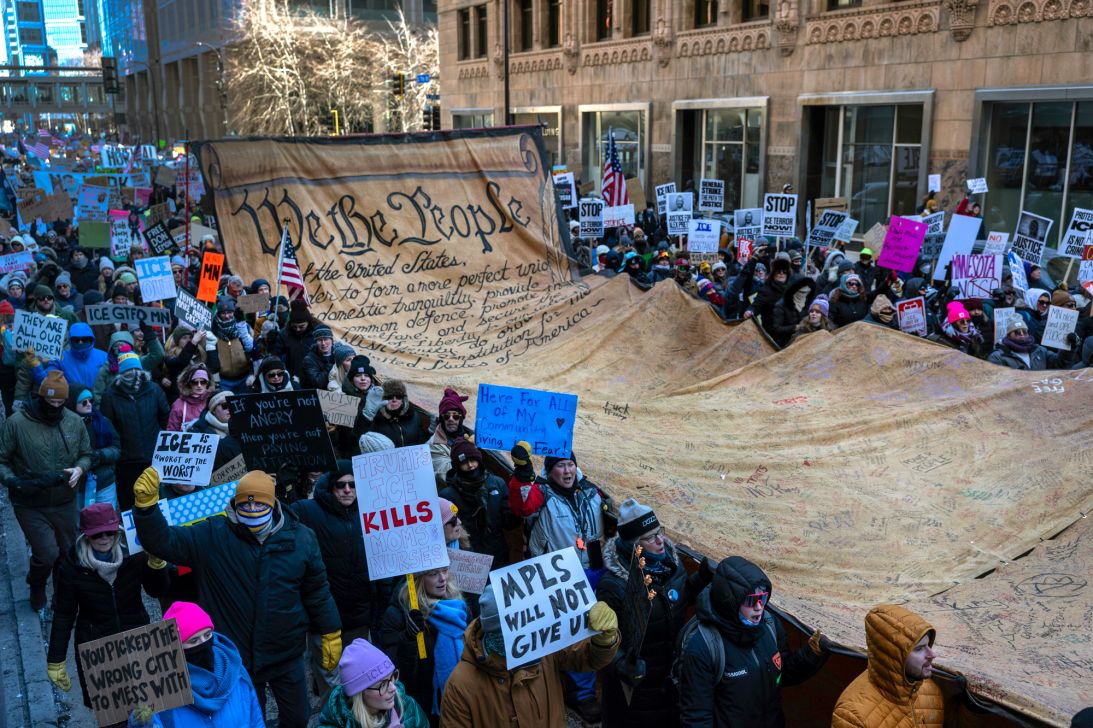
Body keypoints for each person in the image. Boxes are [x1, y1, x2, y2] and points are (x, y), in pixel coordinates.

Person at [133, 467, 343, 727]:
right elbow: (164, 542)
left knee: (298, 717)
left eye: (259, 506)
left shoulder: (302, 539)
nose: (253, 513)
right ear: (235, 504)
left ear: (273, 503)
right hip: (236, 656)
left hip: (285, 653)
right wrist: (146, 509)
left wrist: (330, 630)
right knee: (250, 718)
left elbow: (317, 591)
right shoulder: (212, 535)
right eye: (245, 506)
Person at [596, 499, 713, 727]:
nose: (660, 541)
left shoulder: (670, 564)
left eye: (659, 532)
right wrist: (621, 665)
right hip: (635, 698)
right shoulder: (615, 587)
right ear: (633, 545)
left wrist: (702, 577)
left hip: (669, 686)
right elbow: (600, 644)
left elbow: (677, 599)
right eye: (649, 537)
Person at [678, 556, 829, 726]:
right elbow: (696, 718)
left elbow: (783, 672)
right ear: (730, 601)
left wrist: (813, 653)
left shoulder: (769, 625)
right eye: (751, 600)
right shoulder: (704, 646)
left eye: (763, 598)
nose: (759, 607)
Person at [439, 587, 620, 727]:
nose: (526, 635)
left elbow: (586, 657)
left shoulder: (544, 647)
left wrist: (604, 640)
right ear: (492, 633)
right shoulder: (460, 686)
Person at [45, 503, 169, 709]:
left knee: (148, 710)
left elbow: (157, 591)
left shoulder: (135, 556)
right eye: (97, 534)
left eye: (109, 532)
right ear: (85, 536)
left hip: (137, 641)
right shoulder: (72, 567)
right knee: (113, 716)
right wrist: (56, 659)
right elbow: (64, 613)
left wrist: (157, 566)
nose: (104, 538)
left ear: (117, 531)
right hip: (98, 651)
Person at [292, 461, 394, 694]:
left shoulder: (371, 513)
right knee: (330, 678)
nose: (348, 490)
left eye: (353, 485)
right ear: (330, 486)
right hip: (325, 617)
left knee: (357, 676)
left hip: (359, 614)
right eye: (341, 485)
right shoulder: (308, 511)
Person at [0, 371, 92, 609]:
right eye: (51, 402)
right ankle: (37, 582)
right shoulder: (16, 423)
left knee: (67, 554)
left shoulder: (73, 421)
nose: (55, 407)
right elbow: (1, 459)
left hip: (64, 500)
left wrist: (81, 469)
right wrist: (13, 480)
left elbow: (86, 453)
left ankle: (60, 598)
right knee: (47, 554)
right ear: (40, 397)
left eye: (60, 402)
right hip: (30, 502)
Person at [134, 601, 267, 727]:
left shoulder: (235, 671)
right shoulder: (161, 689)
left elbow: (255, 720)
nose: (203, 643)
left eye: (207, 634)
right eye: (194, 640)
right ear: (177, 648)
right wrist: (141, 721)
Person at [377, 565, 469, 723]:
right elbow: (395, 677)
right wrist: (408, 639)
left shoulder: (458, 604)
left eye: (445, 571)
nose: (442, 578)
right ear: (418, 579)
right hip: (423, 707)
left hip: (458, 700)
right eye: (433, 574)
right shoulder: (397, 614)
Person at [831, 604, 943, 728]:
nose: (932, 654)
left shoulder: (931, 691)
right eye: (919, 649)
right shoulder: (852, 716)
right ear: (893, 656)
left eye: (928, 645)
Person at [100, 352, 169, 512]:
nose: (132, 375)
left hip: (154, 459)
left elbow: (165, 416)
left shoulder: (153, 389)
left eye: (135, 370)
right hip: (126, 463)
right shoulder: (110, 396)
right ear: (121, 373)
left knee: (157, 503)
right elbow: (108, 429)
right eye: (127, 371)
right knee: (130, 506)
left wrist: (160, 442)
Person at [439, 438, 515, 571]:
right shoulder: (448, 495)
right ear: (457, 466)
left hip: (498, 555)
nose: (470, 466)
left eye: (473, 460)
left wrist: (519, 507)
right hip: (468, 560)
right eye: (464, 462)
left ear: (479, 460)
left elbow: (509, 522)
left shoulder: (497, 483)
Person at [319, 638, 429, 728]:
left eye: (392, 678)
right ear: (360, 694)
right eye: (382, 685)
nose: (393, 688)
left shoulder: (409, 706)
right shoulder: (334, 722)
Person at [69, 388, 120, 508]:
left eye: (90, 400)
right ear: (72, 404)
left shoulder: (103, 421)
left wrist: (100, 455)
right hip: (78, 484)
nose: (89, 404)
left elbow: (117, 449)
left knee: (106, 523)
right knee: (79, 524)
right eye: (84, 402)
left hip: (104, 481)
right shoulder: (66, 426)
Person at [987, 317, 1072, 370]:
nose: (1022, 334)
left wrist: (1069, 346)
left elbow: (1060, 363)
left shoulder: (1040, 350)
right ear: (1009, 335)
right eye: (1017, 332)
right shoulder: (998, 356)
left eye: (1024, 331)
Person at [187, 390, 242, 470]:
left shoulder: (245, 425)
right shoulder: (199, 431)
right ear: (213, 410)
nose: (230, 408)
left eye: (233, 404)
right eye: (225, 405)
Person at [369, 379, 430, 447]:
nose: (394, 400)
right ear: (383, 399)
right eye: (389, 396)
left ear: (403, 399)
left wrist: (430, 431)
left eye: (398, 396)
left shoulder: (414, 416)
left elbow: (421, 442)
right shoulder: (376, 419)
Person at [430, 387, 473, 482]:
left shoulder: (471, 437)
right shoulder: (433, 444)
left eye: (456, 416)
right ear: (441, 419)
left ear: (461, 419)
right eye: (446, 416)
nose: (451, 419)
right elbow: (447, 474)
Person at [167, 363, 212, 431]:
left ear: (208, 383)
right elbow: (172, 431)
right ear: (188, 383)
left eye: (203, 382)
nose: (199, 385)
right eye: (195, 382)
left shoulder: (212, 400)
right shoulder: (178, 405)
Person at [302, 324, 337, 389]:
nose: (323, 343)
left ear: (331, 340)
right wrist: (331, 365)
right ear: (315, 342)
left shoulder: (339, 352)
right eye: (320, 340)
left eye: (326, 339)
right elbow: (318, 382)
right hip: (321, 394)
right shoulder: (309, 359)